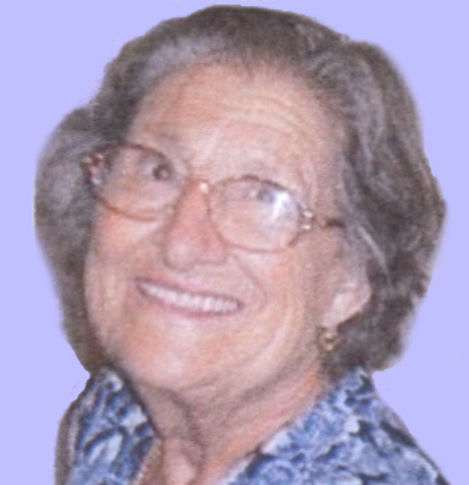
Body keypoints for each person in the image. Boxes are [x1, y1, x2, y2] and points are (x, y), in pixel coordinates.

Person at [35, 5, 448, 485]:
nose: (181, 244)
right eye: (158, 170)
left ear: (350, 283)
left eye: (263, 197)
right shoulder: (116, 416)